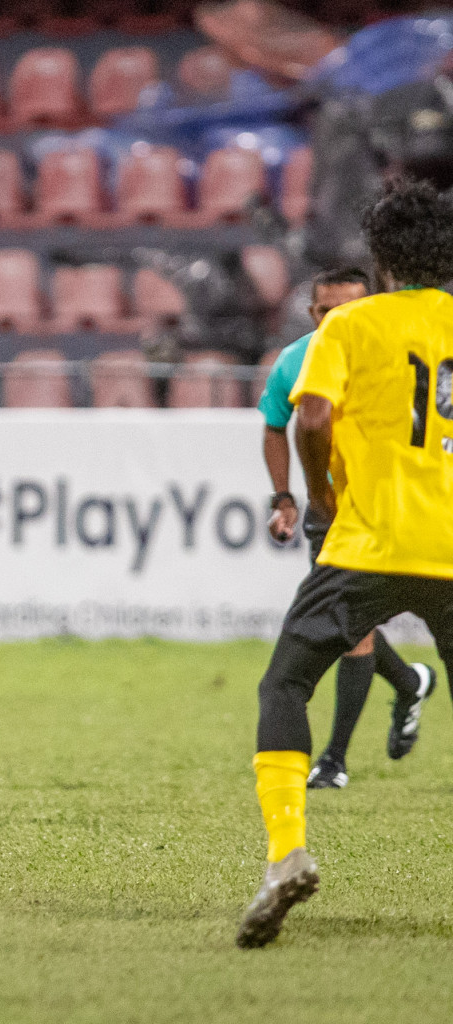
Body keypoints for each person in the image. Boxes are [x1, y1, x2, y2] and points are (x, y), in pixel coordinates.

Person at [238, 179, 453, 948]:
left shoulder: (351, 326)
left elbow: (315, 415)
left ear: (384, 258)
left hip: (367, 541)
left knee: (288, 682)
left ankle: (286, 852)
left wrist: (323, 494)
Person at [258, 267, 436, 789]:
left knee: (342, 629)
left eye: (349, 307)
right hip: (334, 511)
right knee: (347, 629)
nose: (336, 318)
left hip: (395, 508)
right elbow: (275, 425)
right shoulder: (293, 362)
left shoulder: (395, 352)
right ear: (311, 314)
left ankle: (336, 758)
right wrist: (287, 497)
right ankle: (406, 684)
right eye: (325, 311)